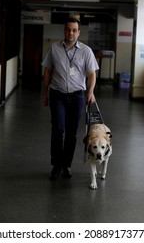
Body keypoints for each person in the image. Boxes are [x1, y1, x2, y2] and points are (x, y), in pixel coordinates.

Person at [42, 17, 99, 180]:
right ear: (64, 30)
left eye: (74, 30)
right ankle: (56, 165)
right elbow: (47, 72)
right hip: (57, 94)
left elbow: (91, 73)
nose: (71, 33)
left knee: (72, 133)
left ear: (79, 32)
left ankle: (66, 164)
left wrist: (91, 91)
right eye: (68, 29)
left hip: (77, 96)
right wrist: (44, 93)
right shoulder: (54, 48)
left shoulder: (86, 51)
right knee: (58, 129)